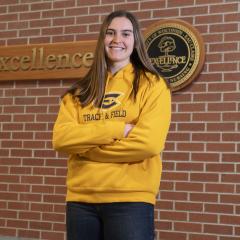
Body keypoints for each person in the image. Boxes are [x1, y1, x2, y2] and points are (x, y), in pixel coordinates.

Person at [52, 10, 171, 240]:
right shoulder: (79, 92)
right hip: (81, 201)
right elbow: (61, 138)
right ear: (102, 40)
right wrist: (116, 129)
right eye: (110, 33)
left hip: (130, 200)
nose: (117, 40)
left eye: (126, 34)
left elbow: (148, 144)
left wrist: (85, 151)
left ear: (135, 40)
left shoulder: (153, 85)